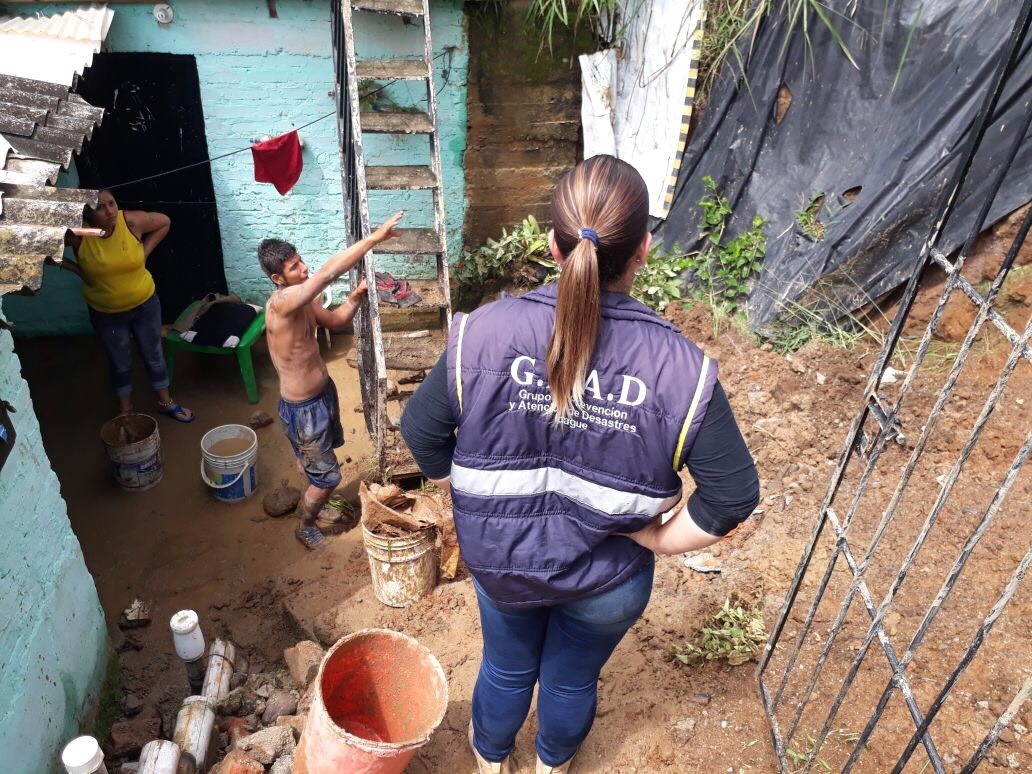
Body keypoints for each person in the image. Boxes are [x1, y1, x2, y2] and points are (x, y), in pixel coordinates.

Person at [400, 155, 759, 774]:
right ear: (644, 249)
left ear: (551, 244)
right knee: (570, 682)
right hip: (609, 580)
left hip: (501, 561)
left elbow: (421, 430)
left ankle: (490, 764)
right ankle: (551, 767)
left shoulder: (482, 334)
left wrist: (463, 489)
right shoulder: (682, 371)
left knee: (506, 668)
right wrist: (656, 537)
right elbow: (731, 495)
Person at [259, 211, 403, 551]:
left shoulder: (303, 302)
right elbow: (326, 274)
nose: (304, 268)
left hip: (322, 395)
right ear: (278, 278)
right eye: (294, 267)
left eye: (301, 261)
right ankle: (306, 524)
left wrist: (356, 297)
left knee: (319, 459)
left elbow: (336, 321)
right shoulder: (282, 303)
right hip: (302, 410)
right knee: (329, 478)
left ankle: (312, 480)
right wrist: (373, 240)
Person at [64, 189, 194, 422]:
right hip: (106, 313)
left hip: (145, 305)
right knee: (119, 359)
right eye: (100, 208)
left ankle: (166, 402)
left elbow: (165, 222)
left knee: (153, 354)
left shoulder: (130, 222)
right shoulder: (80, 233)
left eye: (112, 203)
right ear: (88, 212)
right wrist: (76, 269)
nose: (110, 211)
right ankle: (125, 409)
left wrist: (144, 253)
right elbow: (40, 244)